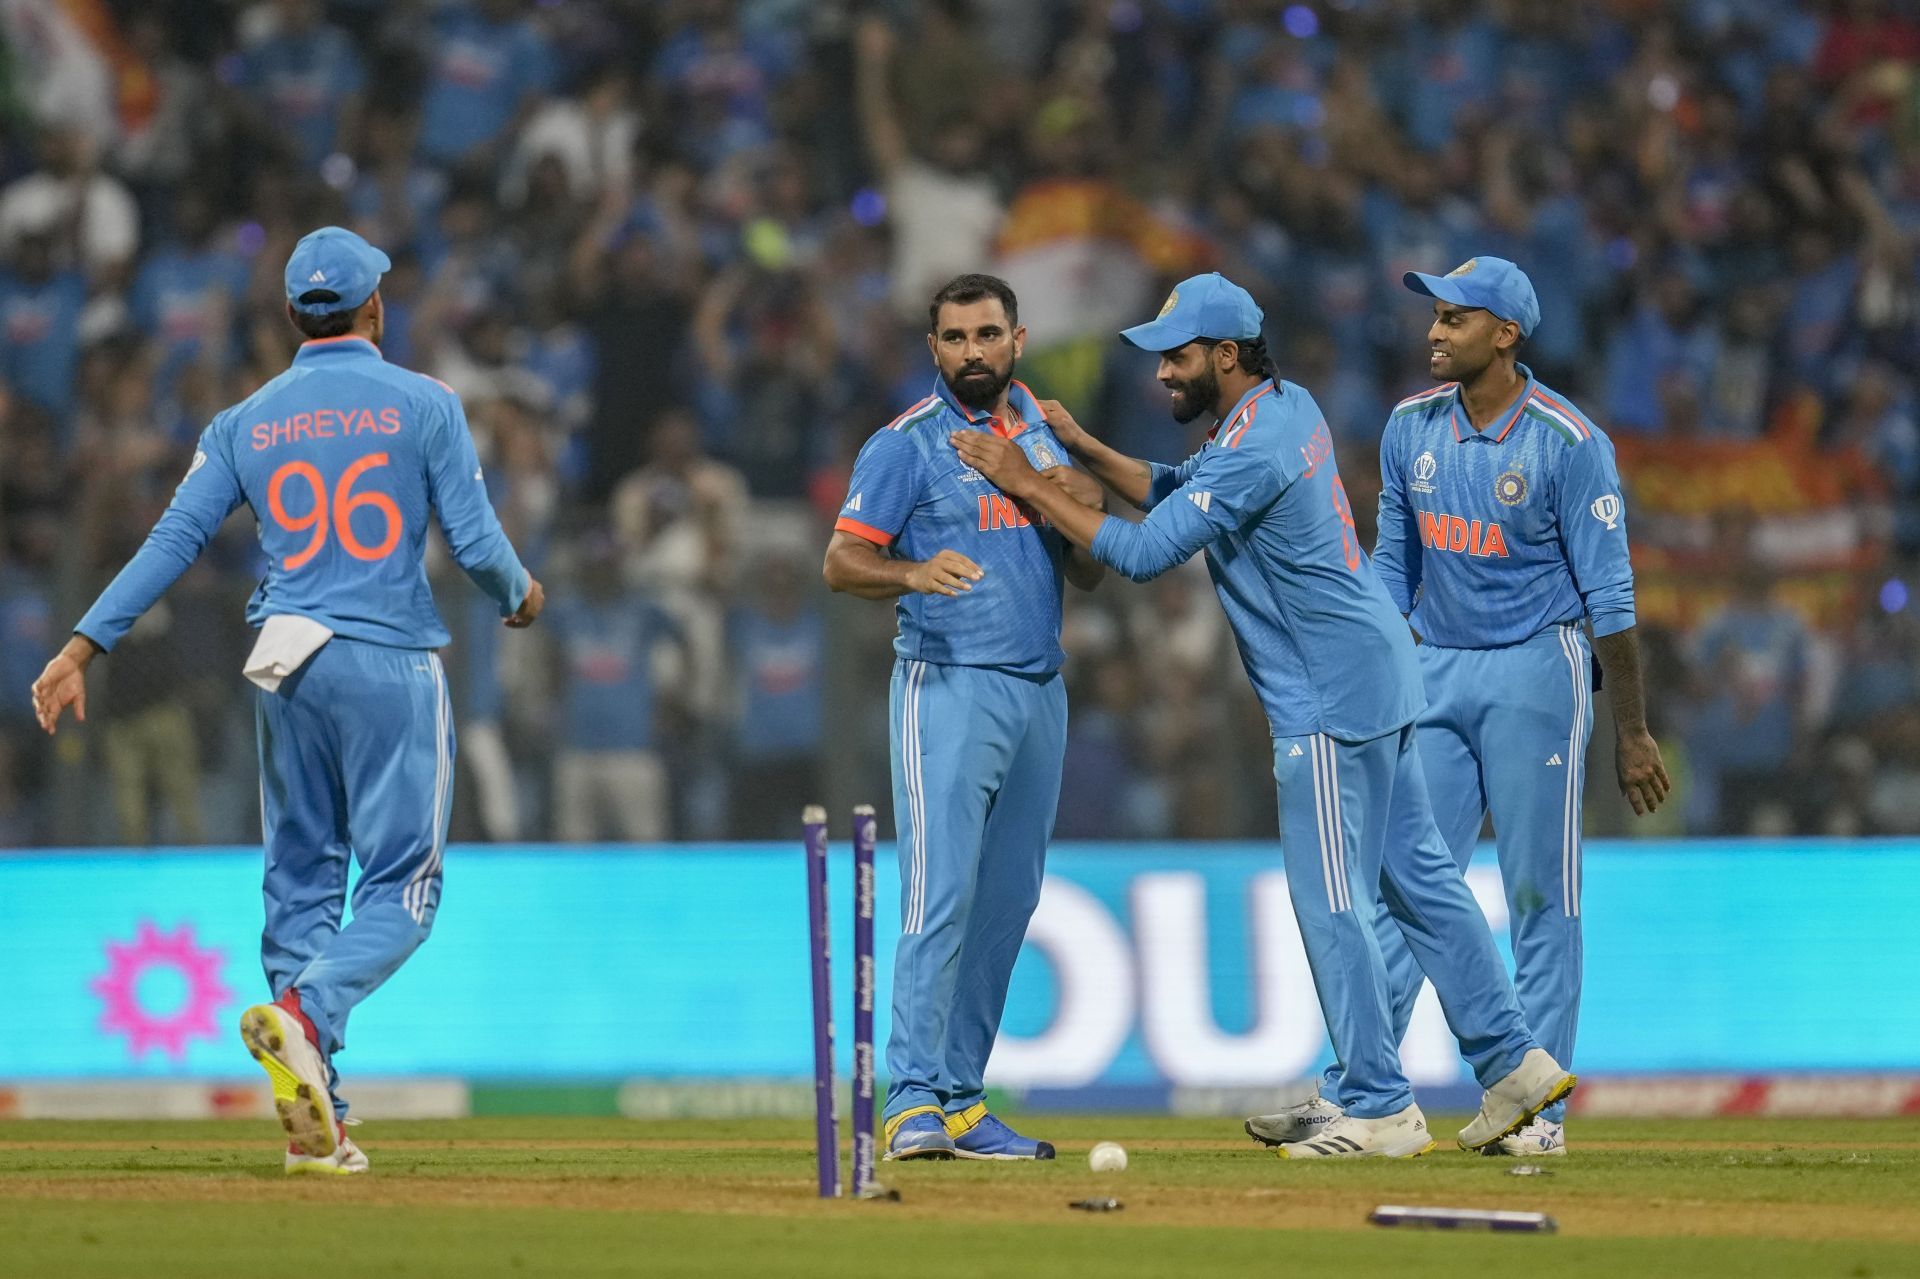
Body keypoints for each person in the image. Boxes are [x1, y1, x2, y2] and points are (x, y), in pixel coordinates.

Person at [951, 271, 1572, 1159]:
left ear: (1227, 355)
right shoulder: (1281, 411)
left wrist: (1024, 477)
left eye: (1178, 356)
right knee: (1422, 881)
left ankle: (1378, 1103)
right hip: (1380, 672)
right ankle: (1515, 1066)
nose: (1162, 374)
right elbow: (1176, 490)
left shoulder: (1251, 447)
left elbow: (1139, 551)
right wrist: (1081, 446)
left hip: (1325, 699)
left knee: (1333, 901)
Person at [29, 227, 544, 1175]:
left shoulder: (242, 422)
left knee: (301, 877)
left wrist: (80, 644)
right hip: (388, 658)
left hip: (282, 662)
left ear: (291, 316)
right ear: (376, 307)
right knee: (405, 888)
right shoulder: (426, 402)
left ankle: (322, 1112)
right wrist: (521, 593)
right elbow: (473, 545)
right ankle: (307, 1013)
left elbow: (170, 542)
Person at [1363, 256, 1670, 1156]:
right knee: (1410, 885)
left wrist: (1634, 731)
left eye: (1454, 319)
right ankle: (1371, 1095)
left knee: (1539, 891)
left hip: (1540, 668)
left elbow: (1611, 597)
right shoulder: (1407, 427)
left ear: (1506, 335)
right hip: (1438, 668)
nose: (1433, 332)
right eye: (1433, 316)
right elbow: (1393, 568)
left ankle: (1536, 1112)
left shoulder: (1570, 442)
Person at [822, 273, 1103, 1161]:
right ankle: (909, 1098)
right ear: (934, 348)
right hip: (946, 684)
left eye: (988, 334)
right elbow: (839, 560)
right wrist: (910, 573)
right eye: (955, 338)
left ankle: (960, 1096)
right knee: (941, 890)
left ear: (1018, 340)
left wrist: (1061, 488)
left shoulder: (1044, 437)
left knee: (1008, 901)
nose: (972, 351)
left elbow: (1093, 568)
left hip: (1039, 688)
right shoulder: (906, 444)